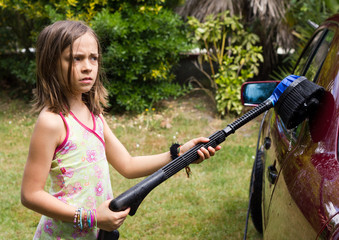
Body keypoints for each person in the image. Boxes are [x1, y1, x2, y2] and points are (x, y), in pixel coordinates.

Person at [21, 20, 221, 239]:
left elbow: (128, 165)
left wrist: (178, 154)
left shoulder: (94, 115)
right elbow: (30, 194)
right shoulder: (52, 122)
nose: (88, 66)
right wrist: (91, 218)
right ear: (52, 64)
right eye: (76, 58)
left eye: (93, 58)